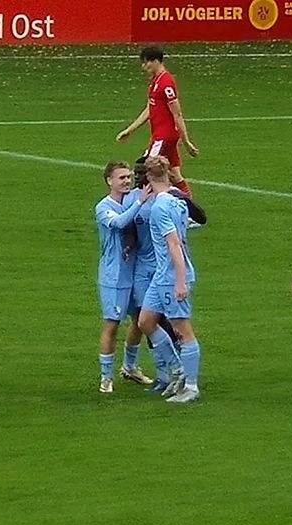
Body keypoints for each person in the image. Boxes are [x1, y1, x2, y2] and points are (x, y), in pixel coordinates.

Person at [136, 156, 202, 403]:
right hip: (162, 275)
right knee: (145, 321)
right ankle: (178, 369)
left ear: (148, 178)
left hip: (172, 276)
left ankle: (192, 387)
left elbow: (174, 243)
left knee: (183, 332)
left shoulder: (161, 207)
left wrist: (181, 281)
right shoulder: (177, 199)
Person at [95, 161, 154, 393]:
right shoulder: (103, 207)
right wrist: (141, 201)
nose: (127, 181)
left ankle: (130, 367)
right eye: (121, 178)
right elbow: (119, 223)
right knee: (112, 324)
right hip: (114, 276)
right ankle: (106, 377)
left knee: (140, 319)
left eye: (129, 177)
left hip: (136, 272)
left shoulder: (132, 200)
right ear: (109, 181)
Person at [116, 46, 199, 202]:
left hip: (164, 137)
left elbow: (177, 113)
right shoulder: (156, 81)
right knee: (174, 174)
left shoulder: (166, 83)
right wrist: (130, 130)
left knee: (145, 169)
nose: (144, 67)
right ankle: (190, 211)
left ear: (155, 61)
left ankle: (140, 208)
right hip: (161, 135)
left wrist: (186, 142)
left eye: (146, 63)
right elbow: (150, 108)